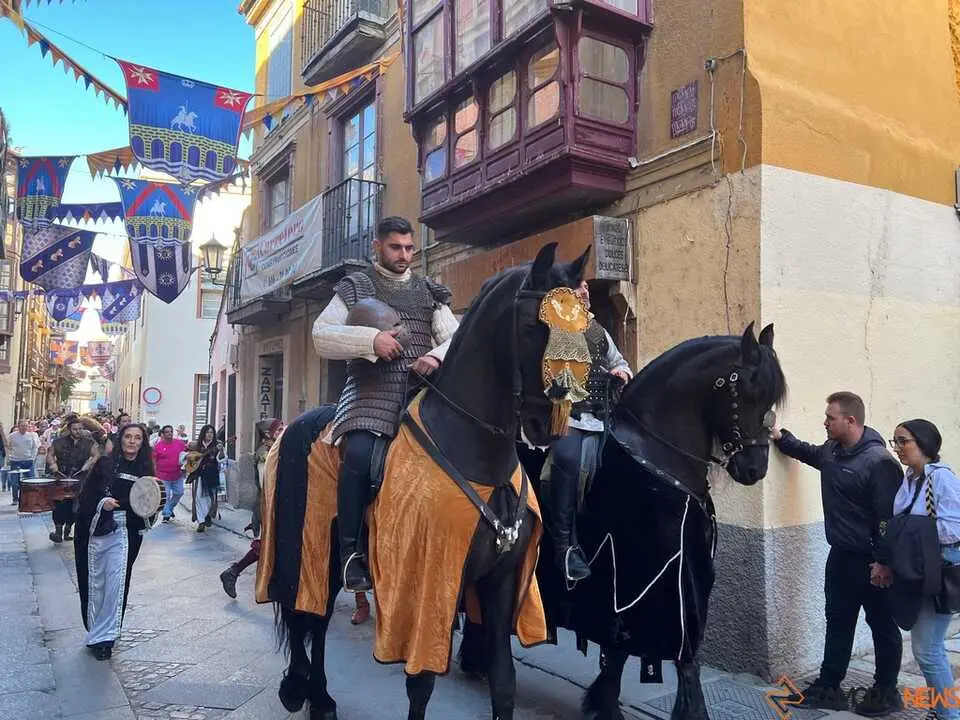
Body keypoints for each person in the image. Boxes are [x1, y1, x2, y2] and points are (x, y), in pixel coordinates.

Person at [312, 216, 458, 592]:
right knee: (359, 456)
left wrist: (437, 357)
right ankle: (350, 554)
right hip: (370, 395)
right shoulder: (356, 286)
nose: (404, 255)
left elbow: (457, 338)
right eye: (396, 247)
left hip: (422, 397)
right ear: (377, 246)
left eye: (410, 248)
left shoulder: (430, 292)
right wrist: (371, 341)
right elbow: (321, 335)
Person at [772, 391, 904, 714]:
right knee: (838, 621)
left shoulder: (879, 462)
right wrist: (780, 438)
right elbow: (808, 453)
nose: (825, 422)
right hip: (840, 558)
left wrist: (883, 562)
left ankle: (886, 692)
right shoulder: (832, 451)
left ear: (851, 421)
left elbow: (889, 518)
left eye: (830, 417)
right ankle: (828, 686)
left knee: (882, 625)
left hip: (872, 561)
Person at [541, 280, 631, 581]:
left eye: (586, 288)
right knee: (566, 460)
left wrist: (621, 372)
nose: (585, 292)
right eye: (577, 289)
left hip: (602, 416)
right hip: (565, 415)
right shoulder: (553, 326)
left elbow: (618, 360)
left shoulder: (597, 329)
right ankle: (564, 546)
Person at [887, 420, 960, 720]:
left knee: (928, 652)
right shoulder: (911, 479)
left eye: (904, 441)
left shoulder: (940, 479)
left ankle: (947, 715)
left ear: (925, 444)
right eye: (895, 442)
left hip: (938, 571)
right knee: (931, 650)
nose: (898, 448)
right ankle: (939, 709)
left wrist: (908, 532)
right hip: (917, 568)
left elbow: (954, 528)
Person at [74, 423, 153, 660]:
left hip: (125, 534)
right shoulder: (104, 464)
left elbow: (150, 502)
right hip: (97, 529)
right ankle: (94, 631)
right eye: (128, 436)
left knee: (116, 584)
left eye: (137, 438)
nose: (132, 441)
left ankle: (105, 639)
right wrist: (102, 503)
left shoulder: (146, 469)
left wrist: (144, 511)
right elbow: (86, 495)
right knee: (96, 581)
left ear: (142, 442)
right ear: (121, 440)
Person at [219, 418, 282, 598]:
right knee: (268, 545)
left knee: (272, 546)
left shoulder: (276, 451)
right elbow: (267, 484)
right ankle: (233, 572)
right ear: (266, 436)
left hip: (275, 506)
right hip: (269, 507)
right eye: (278, 430)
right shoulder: (264, 455)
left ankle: (236, 573)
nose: (283, 432)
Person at [46, 417, 99, 543]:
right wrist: (52, 464)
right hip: (61, 476)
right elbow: (50, 454)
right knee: (59, 505)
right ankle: (58, 531)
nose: (78, 431)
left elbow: (96, 455)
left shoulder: (88, 442)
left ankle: (67, 530)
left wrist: (90, 462)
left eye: (80, 429)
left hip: (79, 478)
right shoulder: (59, 442)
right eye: (75, 429)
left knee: (75, 506)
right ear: (69, 430)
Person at [189, 424, 223, 533]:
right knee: (199, 496)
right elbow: (190, 458)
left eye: (212, 432)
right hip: (199, 474)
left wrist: (221, 451)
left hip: (212, 473)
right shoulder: (197, 445)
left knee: (210, 498)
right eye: (208, 432)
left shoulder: (217, 445)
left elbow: (222, 459)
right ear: (203, 433)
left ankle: (208, 515)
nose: (210, 434)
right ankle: (201, 521)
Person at [153, 425, 187, 522]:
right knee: (166, 495)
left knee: (179, 493)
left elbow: (186, 454)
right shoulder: (158, 446)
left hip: (177, 475)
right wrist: (154, 473)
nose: (170, 433)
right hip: (163, 475)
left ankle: (170, 508)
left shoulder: (179, 444)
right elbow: (154, 460)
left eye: (171, 431)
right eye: (167, 432)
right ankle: (166, 514)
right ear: (162, 434)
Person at [5, 419, 40, 505]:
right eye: (22, 426)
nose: (24, 428)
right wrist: (9, 457)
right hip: (15, 461)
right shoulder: (12, 436)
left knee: (30, 480)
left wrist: (32, 457)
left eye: (26, 426)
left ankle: (30, 499)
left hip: (28, 461)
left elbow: (34, 447)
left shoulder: (31, 436)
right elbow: (8, 446)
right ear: (18, 426)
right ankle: (15, 499)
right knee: (14, 482)